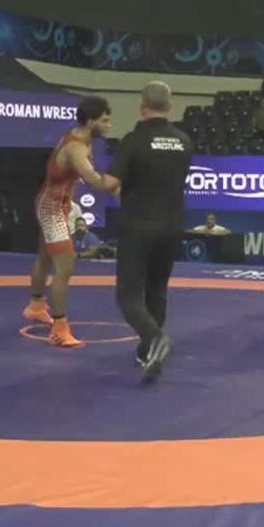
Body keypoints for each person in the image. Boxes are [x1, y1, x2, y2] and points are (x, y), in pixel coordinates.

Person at [106, 81, 194, 382]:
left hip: (138, 226)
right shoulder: (184, 141)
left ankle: (155, 337)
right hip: (171, 226)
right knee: (157, 290)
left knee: (128, 295)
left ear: (142, 107)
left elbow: (111, 183)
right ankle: (147, 352)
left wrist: (87, 174)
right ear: (169, 106)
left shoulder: (134, 140)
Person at [23, 97, 121, 348]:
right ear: (90, 121)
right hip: (52, 208)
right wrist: (122, 182)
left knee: (45, 257)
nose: (109, 125)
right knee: (65, 266)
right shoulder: (76, 147)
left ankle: (36, 305)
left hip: (57, 204)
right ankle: (59, 329)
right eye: (104, 121)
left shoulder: (80, 139)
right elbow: (94, 180)